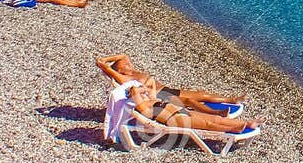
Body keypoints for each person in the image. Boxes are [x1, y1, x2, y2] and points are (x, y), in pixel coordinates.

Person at [96, 54, 246, 116]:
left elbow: (123, 55)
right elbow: (108, 69)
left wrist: (106, 58)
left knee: (201, 95)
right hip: (158, 96)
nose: (129, 63)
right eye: (126, 65)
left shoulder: (132, 71)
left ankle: (231, 100)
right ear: (120, 70)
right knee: (189, 102)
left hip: (166, 90)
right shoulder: (123, 78)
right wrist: (103, 65)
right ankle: (217, 114)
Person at [127, 79, 258, 137]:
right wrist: (139, 89)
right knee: (208, 124)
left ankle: (245, 123)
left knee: (216, 117)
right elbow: (135, 91)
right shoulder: (143, 106)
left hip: (179, 111)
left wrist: (144, 89)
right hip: (173, 118)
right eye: (141, 93)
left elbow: (150, 82)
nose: (144, 93)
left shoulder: (151, 99)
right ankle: (233, 129)